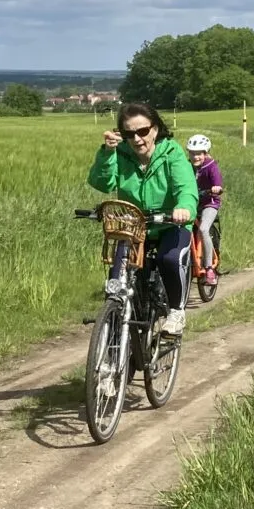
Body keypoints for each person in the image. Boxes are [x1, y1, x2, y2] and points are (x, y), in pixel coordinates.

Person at [88, 101, 197, 337]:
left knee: (169, 259)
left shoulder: (171, 152)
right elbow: (102, 183)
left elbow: (186, 187)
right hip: (135, 226)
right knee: (118, 276)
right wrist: (107, 153)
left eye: (143, 132)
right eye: (129, 133)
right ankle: (116, 328)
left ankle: (177, 311)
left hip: (170, 223)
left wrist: (184, 208)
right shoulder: (120, 154)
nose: (137, 139)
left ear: (155, 129)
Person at [187, 133, 223, 287]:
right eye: (192, 153)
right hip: (193, 203)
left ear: (205, 153)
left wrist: (216, 188)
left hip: (210, 203)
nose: (195, 157)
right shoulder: (187, 166)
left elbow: (218, 183)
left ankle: (209, 269)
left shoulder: (211, 166)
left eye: (199, 154)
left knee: (203, 229)